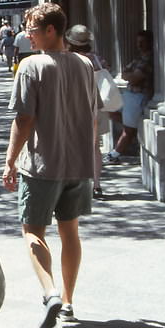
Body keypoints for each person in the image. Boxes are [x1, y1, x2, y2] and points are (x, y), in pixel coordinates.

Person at [1, 3, 100, 328]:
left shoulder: (31, 66)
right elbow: (93, 114)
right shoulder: (85, 64)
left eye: (32, 29)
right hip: (78, 164)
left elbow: (24, 119)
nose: (27, 35)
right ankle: (68, 302)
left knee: (32, 231)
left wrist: (10, 160)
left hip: (42, 164)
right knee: (70, 231)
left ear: (51, 30)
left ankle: (50, 292)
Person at [65, 25, 112, 198]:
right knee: (95, 146)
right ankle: (96, 184)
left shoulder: (68, 60)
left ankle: (77, 184)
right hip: (96, 105)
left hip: (73, 107)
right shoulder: (97, 59)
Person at [105, 30, 154, 164]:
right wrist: (130, 76)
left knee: (127, 130)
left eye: (143, 42)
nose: (139, 45)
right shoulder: (139, 59)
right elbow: (124, 74)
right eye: (138, 42)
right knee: (109, 109)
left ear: (150, 42)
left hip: (138, 96)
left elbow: (134, 78)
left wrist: (131, 76)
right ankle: (134, 127)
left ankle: (114, 155)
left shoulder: (149, 60)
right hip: (128, 93)